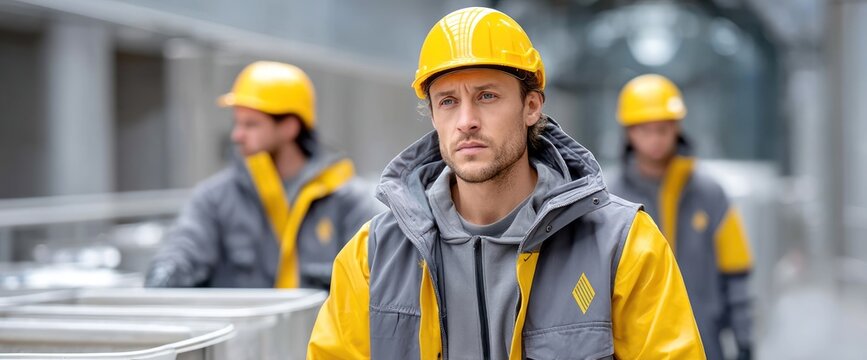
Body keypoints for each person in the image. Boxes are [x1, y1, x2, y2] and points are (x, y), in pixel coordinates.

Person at [307, 7, 704, 359]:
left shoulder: (622, 244)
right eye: (447, 101)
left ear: (531, 107)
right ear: (432, 116)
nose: (466, 121)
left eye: (487, 96)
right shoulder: (372, 257)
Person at [145, 61, 381, 289]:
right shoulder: (214, 200)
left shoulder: (349, 203)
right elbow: (184, 248)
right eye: (237, 124)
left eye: (251, 125)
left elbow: (377, 275)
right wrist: (164, 275)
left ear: (289, 127)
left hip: (318, 331)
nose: (237, 135)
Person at [608, 74, 753, 360]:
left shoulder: (711, 195)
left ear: (677, 128)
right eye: (644, 129)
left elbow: (736, 274)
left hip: (705, 342)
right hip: (632, 347)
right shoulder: (609, 198)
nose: (655, 139)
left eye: (662, 128)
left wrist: (744, 340)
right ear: (629, 132)